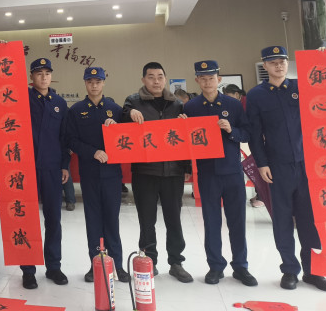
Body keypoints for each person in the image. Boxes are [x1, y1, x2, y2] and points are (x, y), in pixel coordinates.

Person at [247, 45, 326, 292]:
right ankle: (289, 270)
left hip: (309, 165)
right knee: (283, 220)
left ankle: (313, 272)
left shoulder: (302, 86)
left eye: (282, 61)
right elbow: (254, 133)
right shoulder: (256, 95)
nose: (279, 66)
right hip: (277, 168)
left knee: (309, 220)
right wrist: (262, 163)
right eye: (273, 62)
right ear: (265, 65)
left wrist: (323, 58)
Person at [183, 61, 257, 287]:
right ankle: (215, 266)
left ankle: (241, 266)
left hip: (232, 171)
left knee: (237, 221)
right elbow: (183, 139)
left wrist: (231, 130)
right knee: (211, 222)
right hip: (207, 173)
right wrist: (182, 126)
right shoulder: (190, 107)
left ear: (219, 79)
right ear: (197, 80)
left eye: (211, 78)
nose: (207, 82)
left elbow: (247, 133)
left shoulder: (233, 105)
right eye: (203, 78)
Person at [121, 61, 193, 283]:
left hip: (173, 172)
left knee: (174, 219)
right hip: (145, 172)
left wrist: (187, 167)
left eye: (160, 76)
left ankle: (176, 262)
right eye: (151, 77)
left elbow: (184, 138)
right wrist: (129, 113)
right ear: (143, 80)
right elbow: (120, 121)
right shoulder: (133, 101)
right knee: (146, 220)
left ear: (165, 79)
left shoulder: (177, 105)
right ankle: (149, 260)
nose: (156, 81)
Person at [66, 67, 129, 283]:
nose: (94, 85)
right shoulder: (76, 110)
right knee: (93, 220)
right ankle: (96, 264)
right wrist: (92, 152)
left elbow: (128, 137)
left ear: (104, 83)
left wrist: (117, 128)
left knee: (112, 219)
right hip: (90, 173)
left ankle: (117, 265)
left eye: (98, 81)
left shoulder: (115, 109)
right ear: (85, 83)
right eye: (90, 81)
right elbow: (71, 140)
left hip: (112, 174)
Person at [21, 57, 70, 289]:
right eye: (39, 73)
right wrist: (2, 52)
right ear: (31, 76)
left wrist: (64, 165)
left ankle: (53, 267)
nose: (44, 77)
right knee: (27, 220)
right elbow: (2, 89)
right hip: (26, 168)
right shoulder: (21, 99)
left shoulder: (59, 103)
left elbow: (64, 137)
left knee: (53, 219)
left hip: (51, 168)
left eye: (47, 73)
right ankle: (28, 270)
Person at [223, 84, 265, 209]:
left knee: (260, 166)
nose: (227, 99)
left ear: (237, 94)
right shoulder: (239, 103)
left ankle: (262, 197)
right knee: (255, 165)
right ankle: (259, 195)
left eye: (228, 96)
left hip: (258, 138)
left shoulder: (245, 103)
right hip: (251, 138)